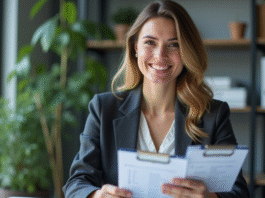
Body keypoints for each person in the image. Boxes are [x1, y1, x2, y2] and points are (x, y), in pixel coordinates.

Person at [63, 0, 250, 197]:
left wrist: (210, 197)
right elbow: (77, 183)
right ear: (135, 48)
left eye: (174, 45)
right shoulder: (103, 109)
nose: (160, 55)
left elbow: (239, 192)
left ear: (187, 52)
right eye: (150, 42)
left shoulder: (213, 115)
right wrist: (96, 196)